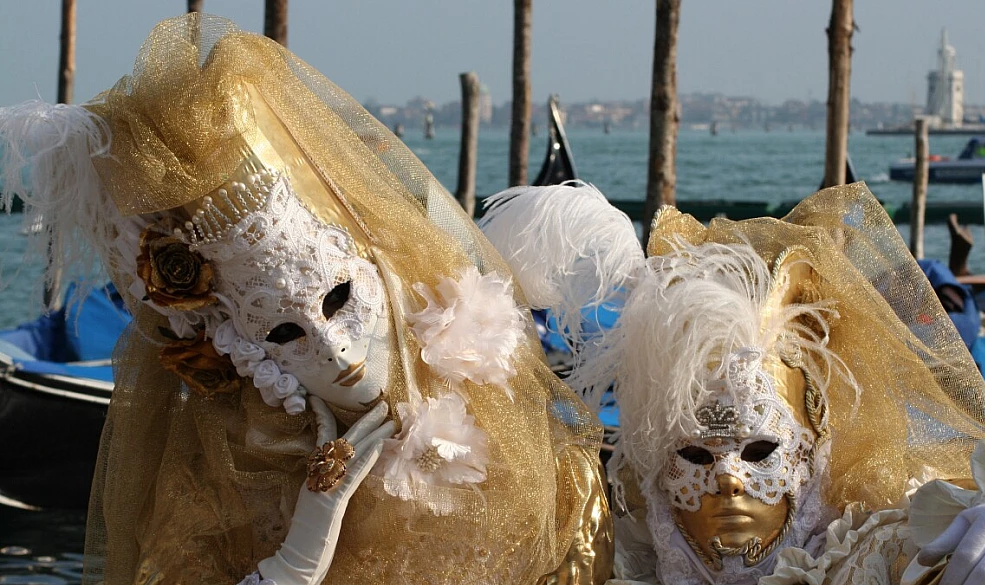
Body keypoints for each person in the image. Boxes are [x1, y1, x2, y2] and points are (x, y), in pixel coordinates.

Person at [0, 14, 610, 585]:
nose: (336, 347)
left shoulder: (540, 457)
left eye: (341, 298)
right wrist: (295, 561)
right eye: (283, 333)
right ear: (239, 348)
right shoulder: (228, 486)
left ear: (381, 271)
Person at [481, 181, 985, 585]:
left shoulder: (869, 562)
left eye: (761, 448)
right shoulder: (606, 561)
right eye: (696, 454)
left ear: (808, 452)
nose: (728, 478)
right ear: (653, 465)